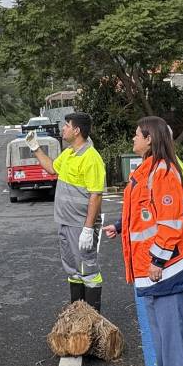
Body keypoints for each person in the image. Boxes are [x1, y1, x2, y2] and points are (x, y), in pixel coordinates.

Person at [103, 116, 183, 366]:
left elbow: (170, 222)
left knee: (174, 334)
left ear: (150, 138)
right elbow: (143, 211)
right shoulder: (148, 168)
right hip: (153, 268)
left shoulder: (164, 172)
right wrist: (120, 226)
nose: (133, 139)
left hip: (166, 267)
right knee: (160, 331)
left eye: (137, 134)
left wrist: (158, 259)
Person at [27, 113, 106, 311]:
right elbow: (52, 168)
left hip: (80, 225)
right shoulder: (70, 153)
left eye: (67, 125)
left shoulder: (91, 158)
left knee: (88, 270)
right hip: (65, 222)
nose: (63, 129)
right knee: (73, 271)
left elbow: (96, 195)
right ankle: (77, 316)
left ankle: (92, 320)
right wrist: (35, 147)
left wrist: (88, 228)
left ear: (76, 130)